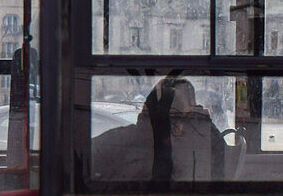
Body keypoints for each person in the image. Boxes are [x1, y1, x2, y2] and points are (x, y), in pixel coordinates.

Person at [92, 76, 225, 182]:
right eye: (175, 118)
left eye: (185, 118)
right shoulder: (120, 143)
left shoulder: (201, 143)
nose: (180, 126)